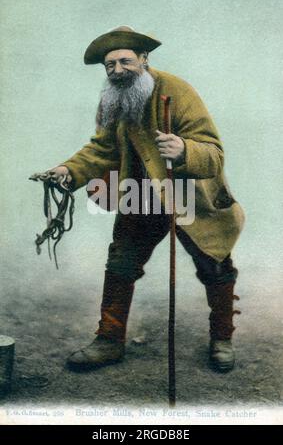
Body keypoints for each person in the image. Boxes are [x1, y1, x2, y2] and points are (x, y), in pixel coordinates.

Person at [43, 26, 245, 372]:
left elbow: (214, 153)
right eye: (110, 65)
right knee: (121, 263)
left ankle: (222, 338)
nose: (117, 70)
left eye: (124, 61)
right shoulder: (112, 99)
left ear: (144, 59)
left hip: (188, 195)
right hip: (140, 196)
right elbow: (102, 149)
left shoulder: (177, 92)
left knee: (215, 265)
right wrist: (68, 170)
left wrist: (184, 149)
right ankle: (109, 339)